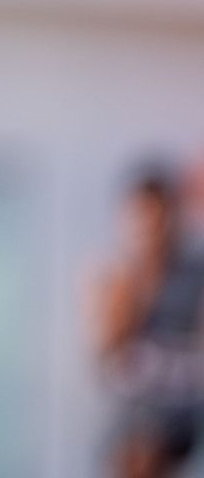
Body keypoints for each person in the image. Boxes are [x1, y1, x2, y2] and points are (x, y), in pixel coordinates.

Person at [95, 168, 204, 478]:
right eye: (140, 221)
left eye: (155, 220)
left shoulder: (195, 275)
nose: (148, 231)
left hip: (182, 418)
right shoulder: (118, 279)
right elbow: (105, 360)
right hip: (131, 418)